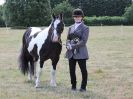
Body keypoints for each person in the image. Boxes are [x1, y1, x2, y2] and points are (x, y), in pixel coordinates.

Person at [65, 8, 89, 92]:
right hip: (71, 52)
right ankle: (73, 86)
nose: (77, 18)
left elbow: (83, 41)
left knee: (83, 70)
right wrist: (68, 45)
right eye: (75, 17)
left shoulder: (85, 28)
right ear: (73, 17)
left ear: (82, 17)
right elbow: (68, 38)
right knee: (71, 70)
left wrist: (72, 46)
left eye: (78, 16)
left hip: (81, 52)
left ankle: (83, 87)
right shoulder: (70, 27)